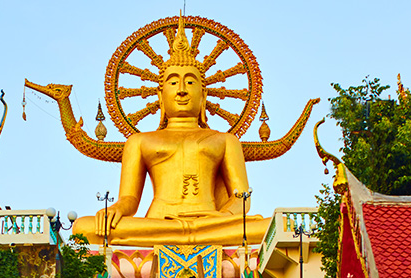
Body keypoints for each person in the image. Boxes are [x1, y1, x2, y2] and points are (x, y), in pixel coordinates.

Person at [70, 14, 269, 247]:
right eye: (173, 82)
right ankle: (192, 235)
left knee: (270, 225)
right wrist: (114, 209)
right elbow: (130, 198)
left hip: (210, 221)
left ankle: (192, 234)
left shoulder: (225, 140)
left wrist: (223, 216)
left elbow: (241, 200)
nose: (182, 90)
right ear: (160, 96)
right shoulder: (140, 141)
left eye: (191, 82)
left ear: (203, 95)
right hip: (159, 221)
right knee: (83, 227)